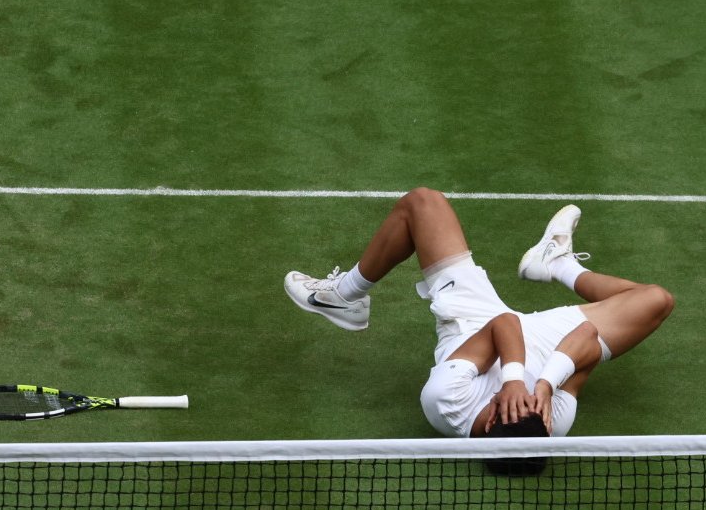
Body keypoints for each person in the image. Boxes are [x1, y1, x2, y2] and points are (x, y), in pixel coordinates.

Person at [284, 187, 673, 440]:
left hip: (474, 325)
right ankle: (554, 264)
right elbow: (586, 338)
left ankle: (344, 296)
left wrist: (514, 381)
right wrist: (544, 386)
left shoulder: (445, 402)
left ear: (488, 422)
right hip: (548, 348)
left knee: (422, 203)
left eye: (507, 407)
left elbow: (502, 325)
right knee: (656, 300)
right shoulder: (552, 422)